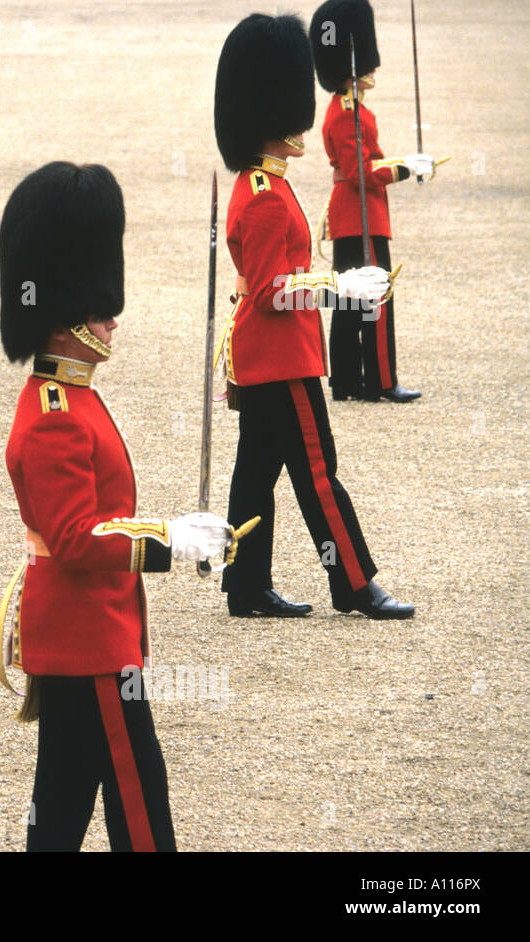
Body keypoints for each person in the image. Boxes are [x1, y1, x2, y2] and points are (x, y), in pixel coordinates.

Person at [0, 161, 236, 852]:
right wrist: (172, 540)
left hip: (92, 634)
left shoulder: (71, 396)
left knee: (65, 800)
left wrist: (169, 533)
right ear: (65, 318)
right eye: (99, 307)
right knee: (138, 800)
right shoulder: (55, 415)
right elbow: (76, 539)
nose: (111, 317)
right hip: (88, 640)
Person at [214, 12, 413, 620]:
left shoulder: (259, 184)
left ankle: (245, 586)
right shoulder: (267, 198)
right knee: (318, 473)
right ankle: (353, 584)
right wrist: (339, 288)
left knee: (256, 475)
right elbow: (275, 292)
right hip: (283, 358)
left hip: (263, 357)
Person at [311, 0, 429, 403]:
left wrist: (402, 165)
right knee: (376, 294)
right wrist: (406, 168)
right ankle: (380, 380)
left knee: (350, 299)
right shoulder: (348, 114)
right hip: (361, 215)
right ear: (351, 69)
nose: (372, 70)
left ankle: (345, 381)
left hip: (352, 214)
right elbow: (363, 171)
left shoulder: (350, 109)